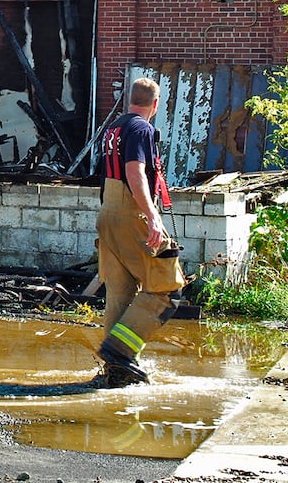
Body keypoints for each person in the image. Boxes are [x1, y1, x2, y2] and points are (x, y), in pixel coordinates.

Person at [93, 76, 186, 388]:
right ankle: (121, 351)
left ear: (129, 101)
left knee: (120, 292)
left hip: (107, 210)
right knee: (167, 285)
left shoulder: (113, 128)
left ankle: (114, 373)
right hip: (129, 210)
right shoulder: (142, 128)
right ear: (155, 105)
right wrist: (152, 216)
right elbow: (135, 171)